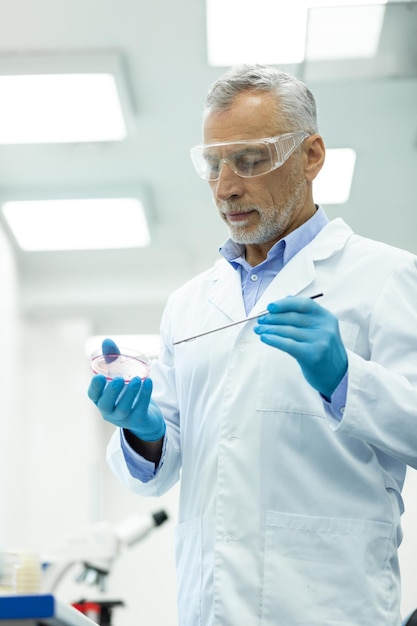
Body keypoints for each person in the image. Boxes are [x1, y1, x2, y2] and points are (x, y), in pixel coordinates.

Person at [88, 64, 417, 625]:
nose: (226, 187)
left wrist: (345, 379)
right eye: (214, 165)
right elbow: (163, 468)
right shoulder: (189, 304)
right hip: (210, 606)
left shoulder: (386, 277)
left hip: (330, 606)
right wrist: (143, 433)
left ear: (311, 156)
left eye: (249, 160)